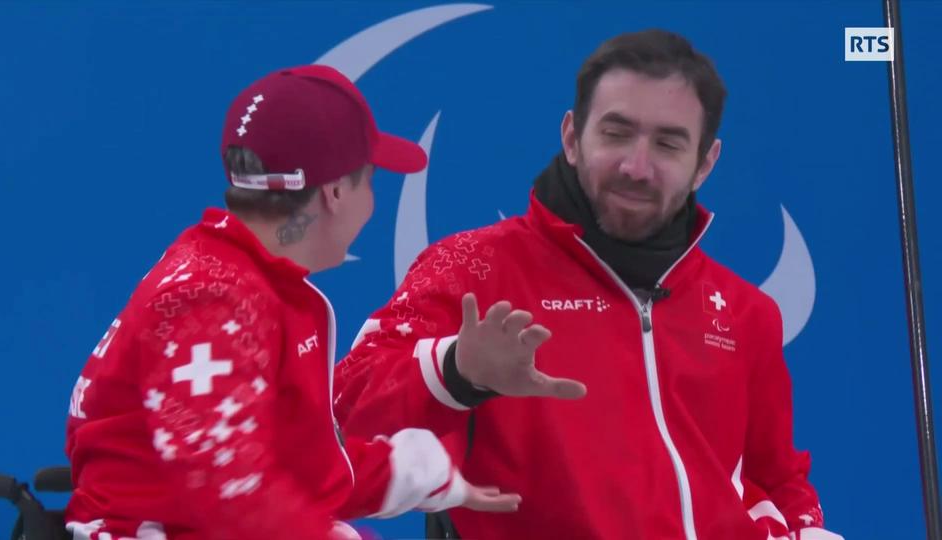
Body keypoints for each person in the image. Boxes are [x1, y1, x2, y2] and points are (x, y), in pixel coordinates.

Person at [333, 30, 843, 540]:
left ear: (705, 163)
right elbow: (347, 404)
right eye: (616, 133)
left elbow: (775, 477)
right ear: (573, 138)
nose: (636, 167)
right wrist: (456, 370)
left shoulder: (744, 310)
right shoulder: (476, 268)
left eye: (668, 144)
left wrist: (807, 531)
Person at [63, 65, 524, 540]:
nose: (372, 202)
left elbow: (300, 468)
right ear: (336, 193)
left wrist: (430, 476)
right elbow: (227, 489)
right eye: (370, 181)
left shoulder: (249, 284)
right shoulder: (211, 300)